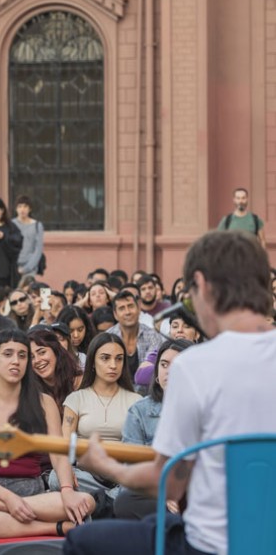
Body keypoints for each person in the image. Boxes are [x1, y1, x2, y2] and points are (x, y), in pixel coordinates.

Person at [66, 230, 276, 555]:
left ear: (202, 284)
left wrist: (106, 466)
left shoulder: (194, 367)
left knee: (82, 541)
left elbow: (167, 481)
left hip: (208, 546)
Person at [0, 329, 96, 539]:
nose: (16, 361)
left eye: (22, 355)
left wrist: (66, 490)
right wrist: (9, 500)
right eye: (8, 354)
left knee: (86, 501)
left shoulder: (44, 402)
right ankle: (56, 527)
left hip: (32, 491)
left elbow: (58, 454)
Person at [113, 339, 193, 520]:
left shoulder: (204, 409)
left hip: (194, 492)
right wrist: (164, 495)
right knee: (125, 501)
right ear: (157, 372)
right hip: (154, 493)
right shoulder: (139, 411)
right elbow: (131, 472)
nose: (169, 371)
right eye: (164, 365)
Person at [55, 332, 142, 497]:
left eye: (119, 359)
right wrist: (66, 474)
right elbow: (64, 445)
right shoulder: (76, 399)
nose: (113, 365)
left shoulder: (136, 401)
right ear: (93, 362)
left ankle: (100, 500)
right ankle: (110, 499)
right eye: (105, 358)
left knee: (137, 483)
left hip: (121, 474)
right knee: (56, 477)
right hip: (86, 473)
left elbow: (140, 450)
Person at [107, 289, 165, 385]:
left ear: (138, 309)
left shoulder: (153, 336)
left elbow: (148, 374)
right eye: (122, 308)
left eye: (130, 306)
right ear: (115, 315)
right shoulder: (108, 338)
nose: (127, 312)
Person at [29, 327, 81, 413]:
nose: (37, 360)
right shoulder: (31, 392)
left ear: (56, 351)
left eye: (42, 352)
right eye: (31, 357)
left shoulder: (79, 382)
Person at [13, 195, 45, 278]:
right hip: (13, 267)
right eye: (19, 206)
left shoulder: (37, 225)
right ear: (16, 209)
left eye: (25, 206)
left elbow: (38, 249)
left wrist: (27, 268)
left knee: (31, 290)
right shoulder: (11, 224)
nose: (22, 209)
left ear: (30, 209)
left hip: (30, 268)